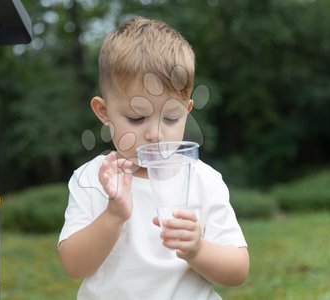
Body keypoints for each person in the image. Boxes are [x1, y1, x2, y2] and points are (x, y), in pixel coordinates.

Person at [58, 16, 249, 300]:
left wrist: (197, 249)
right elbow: (74, 265)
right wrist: (113, 215)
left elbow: (237, 270)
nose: (155, 134)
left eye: (172, 117)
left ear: (187, 109)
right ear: (104, 112)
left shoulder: (202, 179)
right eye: (137, 118)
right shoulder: (92, 179)